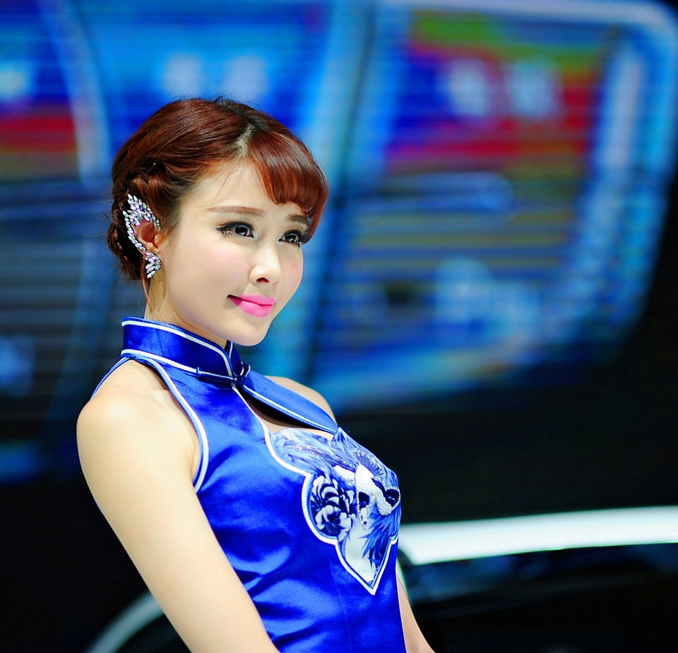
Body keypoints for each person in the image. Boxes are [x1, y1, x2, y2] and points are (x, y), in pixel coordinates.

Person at [77, 97, 433, 653]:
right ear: (151, 232)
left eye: (291, 236)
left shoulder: (304, 403)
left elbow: (400, 625)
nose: (271, 268)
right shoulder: (130, 417)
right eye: (239, 228)